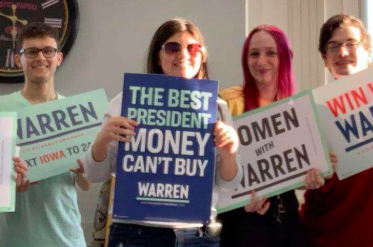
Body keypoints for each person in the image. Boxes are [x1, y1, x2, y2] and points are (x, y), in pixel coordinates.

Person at [83, 18, 243, 247]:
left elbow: (228, 183)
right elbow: (94, 174)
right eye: (172, 47)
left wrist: (229, 152)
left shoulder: (218, 109)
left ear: (203, 55)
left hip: (198, 236)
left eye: (192, 47)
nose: (183, 54)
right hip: (137, 235)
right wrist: (102, 139)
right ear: (158, 55)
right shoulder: (126, 102)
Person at [0, 22, 91, 247]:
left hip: (65, 239)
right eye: (31, 51)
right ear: (18, 59)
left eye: (48, 51)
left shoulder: (77, 114)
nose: (40, 57)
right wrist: (6, 181)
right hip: (8, 240)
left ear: (58, 58)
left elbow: (86, 183)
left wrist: (82, 170)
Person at [218, 25, 325, 247]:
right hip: (240, 222)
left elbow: (295, 173)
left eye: (271, 53)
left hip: (286, 220)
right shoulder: (227, 102)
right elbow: (214, 172)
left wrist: (312, 178)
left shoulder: (298, 107)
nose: (261, 61)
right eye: (254, 54)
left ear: (284, 57)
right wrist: (242, 203)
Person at [300, 14, 373, 247]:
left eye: (351, 44)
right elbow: (305, 181)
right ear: (325, 58)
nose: (342, 53)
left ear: (368, 52)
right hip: (324, 235)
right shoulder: (309, 114)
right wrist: (310, 179)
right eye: (333, 47)